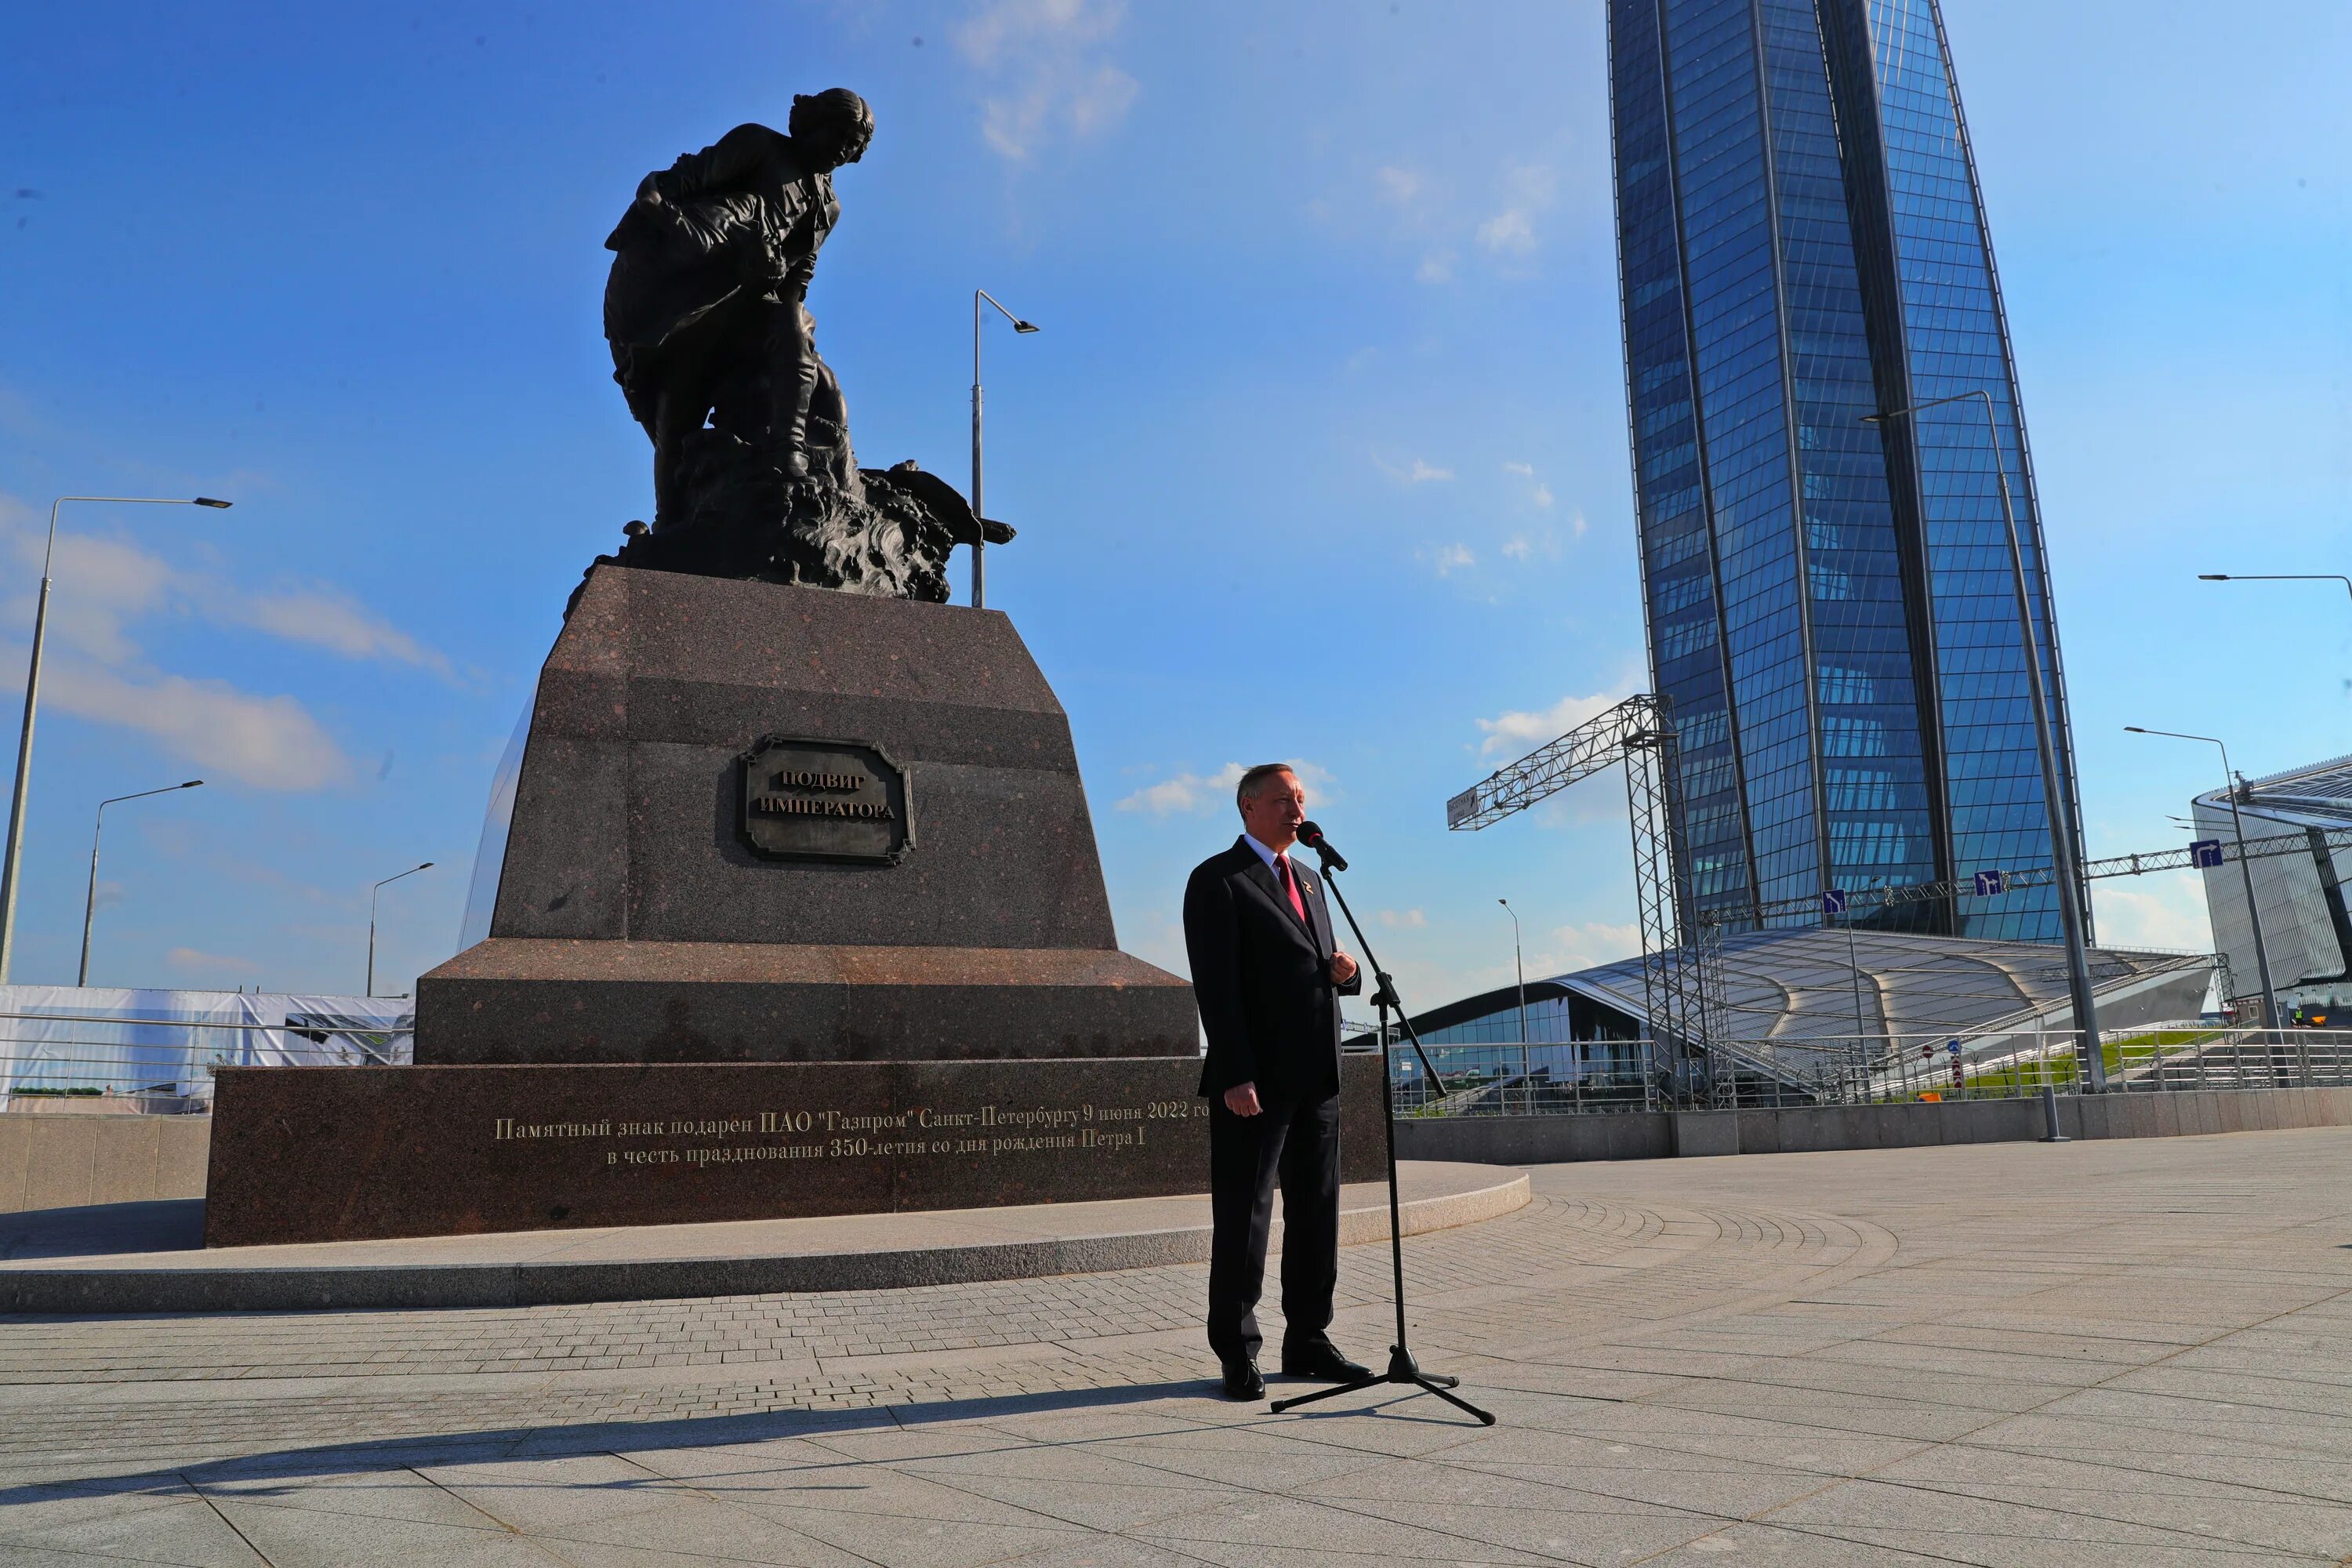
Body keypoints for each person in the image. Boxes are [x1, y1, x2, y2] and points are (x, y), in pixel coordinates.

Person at [602, 89, 876, 524]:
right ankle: (669, 525)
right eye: (838, 135)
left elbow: (798, 279)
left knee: (799, 338)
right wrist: (702, 235)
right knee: (677, 418)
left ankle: (791, 454)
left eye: (853, 146)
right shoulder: (759, 146)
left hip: (755, 303)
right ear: (812, 122)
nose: (843, 150)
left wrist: (779, 295)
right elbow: (677, 186)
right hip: (690, 298)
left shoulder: (829, 206)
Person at [1182, 762, 1369, 1399]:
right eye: (1286, 801)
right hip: (1255, 1083)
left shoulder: (1313, 882)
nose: (1299, 811)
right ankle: (1237, 1350)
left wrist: (1347, 975)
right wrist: (1234, 1071)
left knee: (1318, 1214)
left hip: (1318, 1076)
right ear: (1248, 806)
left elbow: (1319, 967)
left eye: (1302, 800)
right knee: (1247, 1215)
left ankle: (1309, 1339)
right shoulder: (1219, 880)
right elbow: (1217, 986)